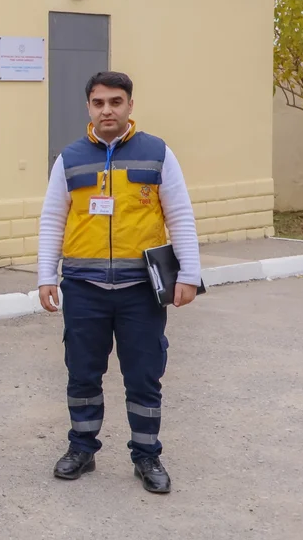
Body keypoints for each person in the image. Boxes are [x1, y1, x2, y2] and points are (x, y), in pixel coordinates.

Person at [38, 71, 200, 494]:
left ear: (130, 106)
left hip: (141, 291)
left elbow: (179, 215)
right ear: (88, 107)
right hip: (83, 287)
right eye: (98, 103)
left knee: (144, 375)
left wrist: (189, 274)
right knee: (82, 373)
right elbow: (53, 219)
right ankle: (82, 449)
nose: (106, 110)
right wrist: (44, 276)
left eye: (115, 102)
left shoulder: (157, 153)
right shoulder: (70, 158)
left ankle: (146, 456)